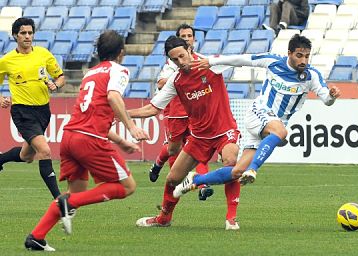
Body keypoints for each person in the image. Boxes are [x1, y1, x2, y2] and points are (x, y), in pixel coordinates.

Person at [24, 30, 150, 251]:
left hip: (70, 136)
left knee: (77, 193)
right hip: (89, 140)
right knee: (127, 186)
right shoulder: (119, 70)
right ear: (122, 52)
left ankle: (36, 236)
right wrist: (132, 127)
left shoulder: (90, 73)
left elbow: (94, 113)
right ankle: (67, 204)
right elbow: (113, 97)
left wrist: (120, 141)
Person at [173, 34, 341, 198]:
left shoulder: (311, 75)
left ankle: (196, 179)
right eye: (299, 55)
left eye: (306, 56)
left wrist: (332, 96)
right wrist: (212, 61)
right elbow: (242, 60)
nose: (303, 61)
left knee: (237, 171)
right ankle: (253, 170)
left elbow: (326, 98)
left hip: (272, 127)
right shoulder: (273, 62)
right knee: (281, 133)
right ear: (289, 53)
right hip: (259, 112)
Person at [128, 36, 242, 230]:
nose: (180, 62)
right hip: (199, 137)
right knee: (173, 179)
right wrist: (122, 113)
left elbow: (239, 60)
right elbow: (153, 108)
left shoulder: (210, 64)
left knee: (231, 163)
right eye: (175, 60)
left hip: (224, 130)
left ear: (190, 49)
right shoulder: (176, 80)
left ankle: (231, 219)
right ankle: (163, 218)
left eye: (182, 56)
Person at [0, 17, 65, 199]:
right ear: (15, 35)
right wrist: (1, 98)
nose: (27, 36)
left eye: (30, 33)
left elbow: (60, 77)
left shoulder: (44, 54)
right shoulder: (6, 61)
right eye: (23, 33)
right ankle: (60, 202)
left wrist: (56, 85)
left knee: (27, 156)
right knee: (44, 151)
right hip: (22, 112)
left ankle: (1, 159)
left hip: (43, 111)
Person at [150, 24, 213, 201]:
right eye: (183, 36)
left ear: (194, 40)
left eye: (189, 35)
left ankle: (202, 185)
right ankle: (158, 164)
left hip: (195, 113)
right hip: (176, 112)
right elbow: (161, 83)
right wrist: (180, 75)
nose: (187, 38)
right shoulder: (173, 62)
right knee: (173, 149)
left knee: (198, 149)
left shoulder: (202, 60)